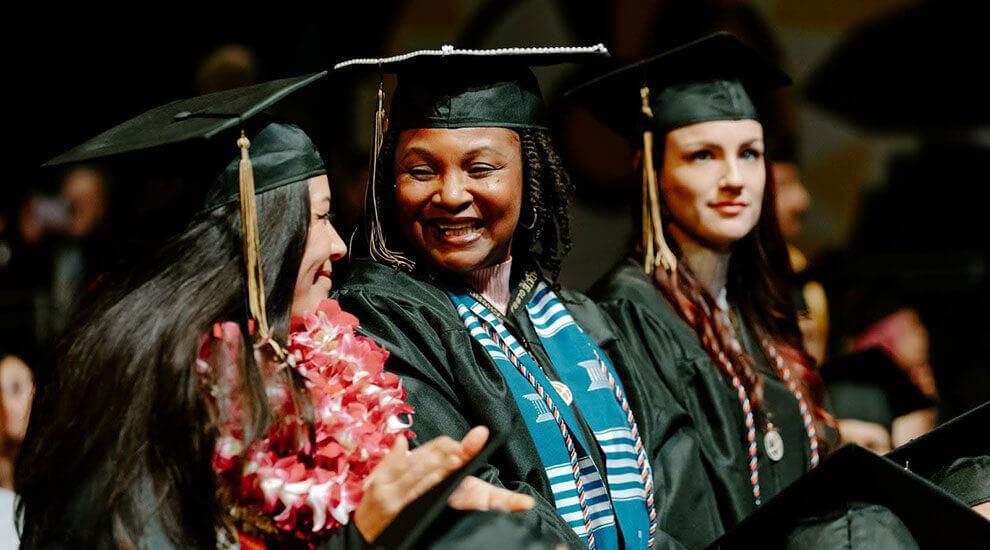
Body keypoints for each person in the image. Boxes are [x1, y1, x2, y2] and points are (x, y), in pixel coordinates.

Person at [16, 74, 533, 549]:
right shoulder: (140, 400)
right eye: (320, 218)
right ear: (255, 241)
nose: (337, 245)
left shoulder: (304, 371)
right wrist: (366, 534)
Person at [335, 45, 722, 549]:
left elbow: (676, 474)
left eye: (480, 168)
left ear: (530, 173)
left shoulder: (577, 321)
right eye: (421, 171)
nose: (451, 194)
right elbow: (475, 504)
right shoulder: (381, 325)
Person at [568, 33, 832, 534]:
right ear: (652, 173)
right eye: (703, 155)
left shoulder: (757, 307)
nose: (734, 178)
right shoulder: (627, 316)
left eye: (750, 154)